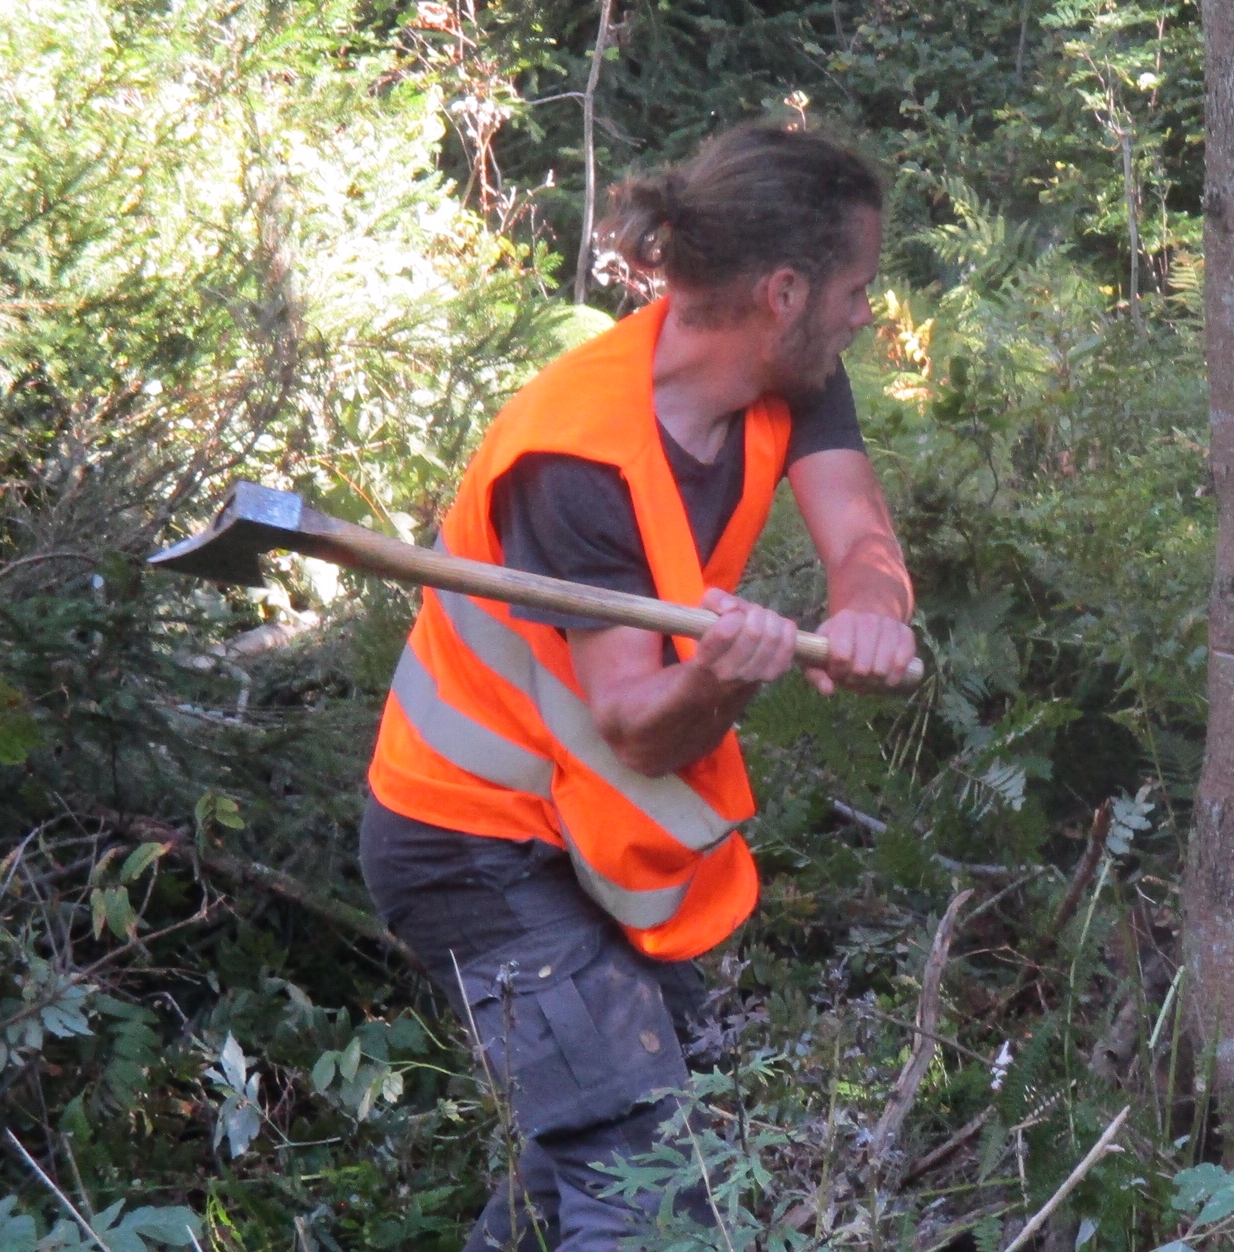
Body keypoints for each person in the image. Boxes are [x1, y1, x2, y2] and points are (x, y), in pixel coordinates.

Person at [357, 121, 917, 1250]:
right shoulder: (575, 458)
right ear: (782, 290)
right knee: (651, 1169)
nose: (865, 311)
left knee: (611, 1150)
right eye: (856, 287)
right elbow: (636, 732)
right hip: (470, 844)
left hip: (573, 829)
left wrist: (871, 610)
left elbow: (859, 532)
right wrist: (726, 680)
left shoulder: (792, 371)